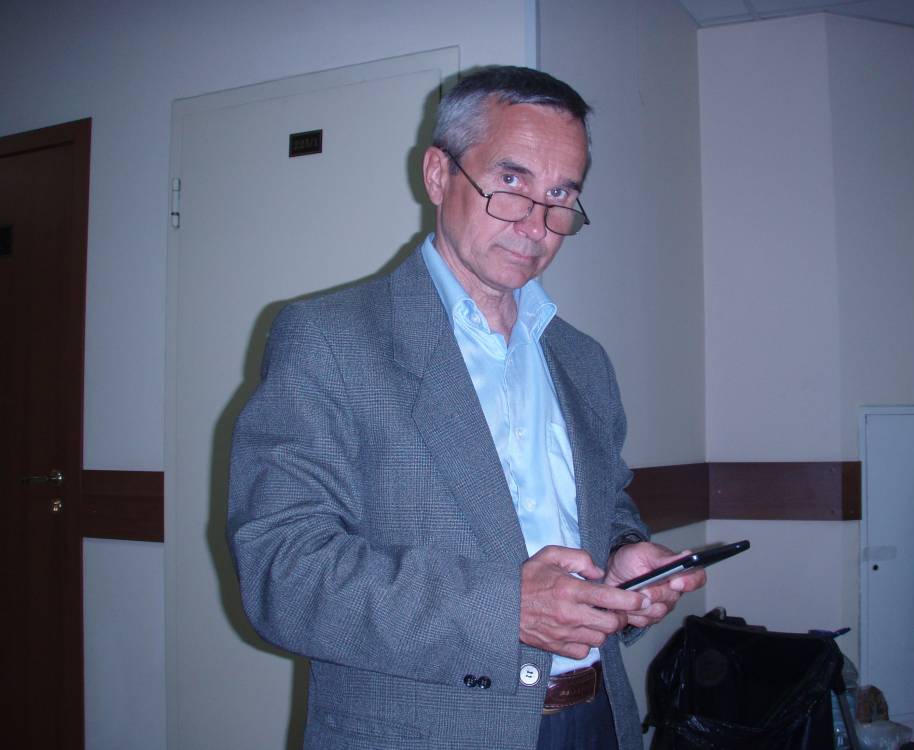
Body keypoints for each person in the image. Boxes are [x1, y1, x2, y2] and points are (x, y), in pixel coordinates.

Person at [228, 65, 705, 750]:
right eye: (511, 181)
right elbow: (284, 573)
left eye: (561, 195)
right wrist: (507, 610)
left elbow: (605, 507)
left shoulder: (583, 359)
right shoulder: (329, 340)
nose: (537, 224)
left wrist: (624, 558)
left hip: (600, 718)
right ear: (437, 174)